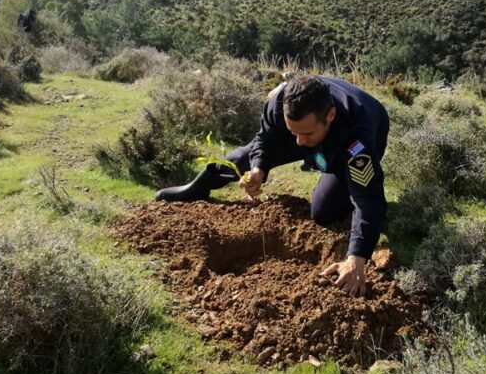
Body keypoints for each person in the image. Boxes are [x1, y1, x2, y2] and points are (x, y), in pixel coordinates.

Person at [156, 75, 390, 298]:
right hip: (311, 120)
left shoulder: (358, 138)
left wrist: (357, 258)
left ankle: (339, 183)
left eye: (305, 133)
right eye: (292, 132)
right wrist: (259, 167)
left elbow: (368, 198)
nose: (298, 143)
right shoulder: (281, 101)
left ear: (330, 115)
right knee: (243, 158)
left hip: (355, 133)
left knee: (323, 211)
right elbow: (265, 139)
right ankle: (198, 186)